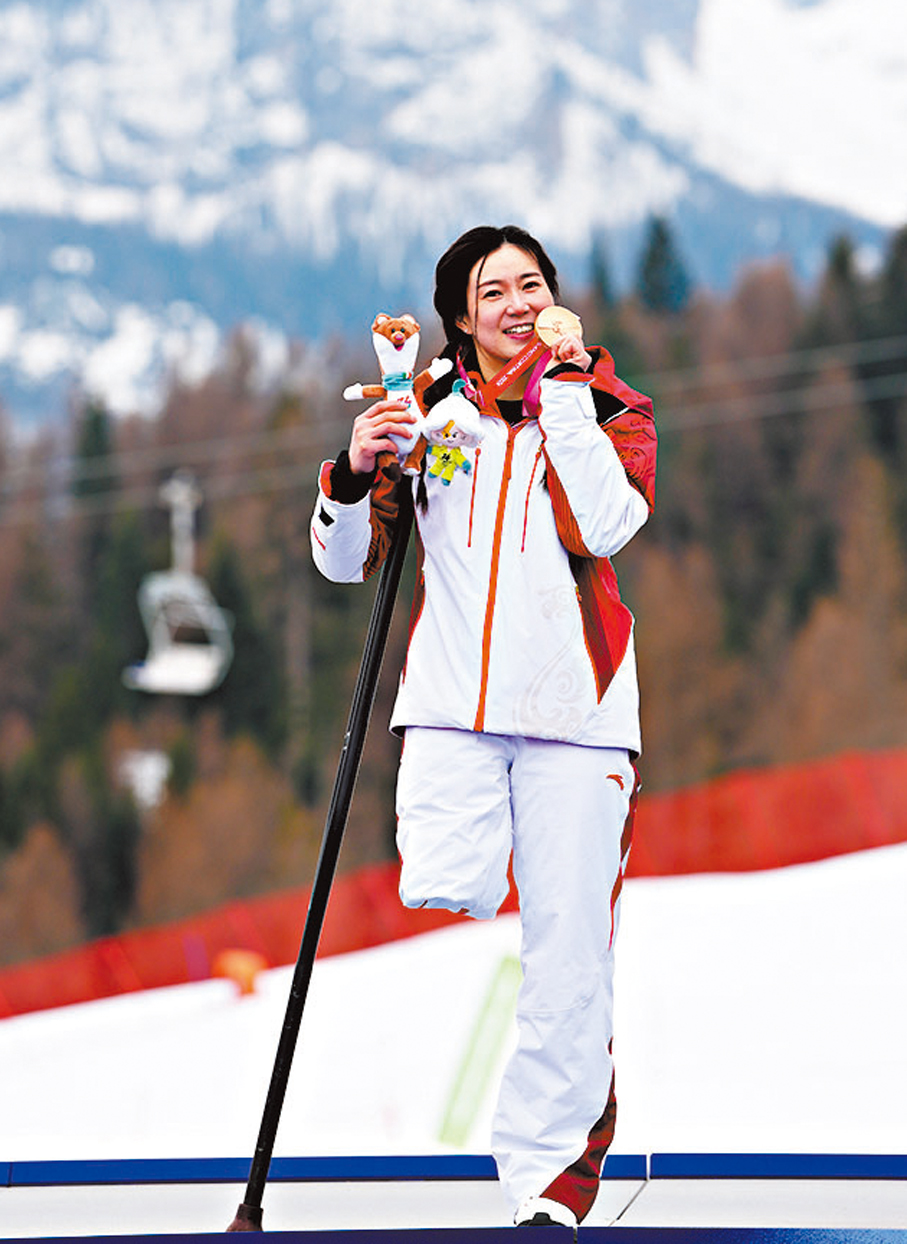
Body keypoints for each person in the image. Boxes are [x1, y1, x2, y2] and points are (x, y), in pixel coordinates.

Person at [310, 225, 657, 1230]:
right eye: (492, 290)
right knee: (443, 879)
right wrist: (353, 471)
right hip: (454, 712)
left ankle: (551, 1187)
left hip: (576, 718)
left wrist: (565, 393)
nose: (515, 303)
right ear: (460, 317)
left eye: (531, 284)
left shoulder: (608, 404)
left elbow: (605, 524)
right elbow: (345, 561)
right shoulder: (422, 409)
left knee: (567, 953)